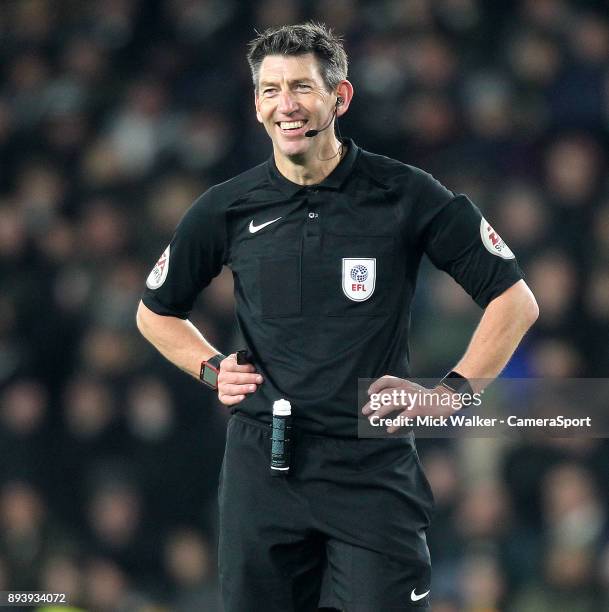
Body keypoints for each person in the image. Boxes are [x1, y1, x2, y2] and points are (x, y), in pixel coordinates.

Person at [136, 22, 538, 612]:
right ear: (256, 105)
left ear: (340, 97)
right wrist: (210, 367)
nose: (286, 105)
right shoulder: (226, 207)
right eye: (271, 90)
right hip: (263, 467)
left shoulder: (404, 193)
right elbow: (154, 313)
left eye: (301, 87)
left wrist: (452, 393)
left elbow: (515, 300)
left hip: (370, 468)